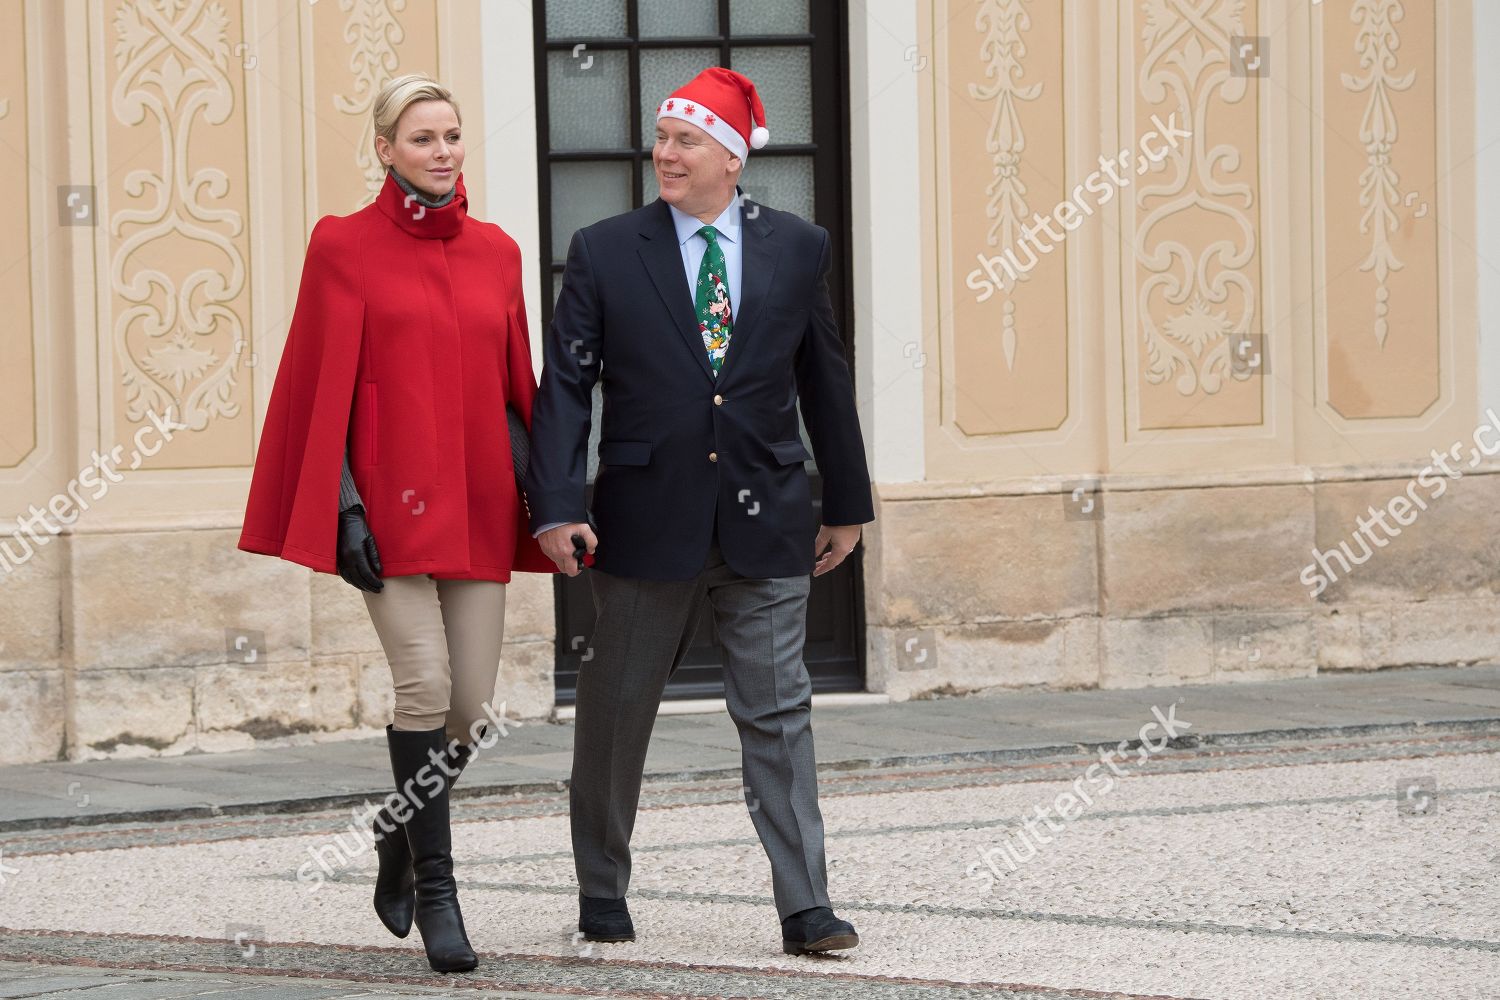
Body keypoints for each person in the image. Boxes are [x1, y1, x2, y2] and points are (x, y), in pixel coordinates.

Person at [525, 67, 875, 956]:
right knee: (617, 710)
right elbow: (565, 387)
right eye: (662, 138)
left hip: (771, 520)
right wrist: (556, 504)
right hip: (644, 522)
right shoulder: (606, 249)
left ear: (730, 154)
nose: (664, 153)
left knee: (779, 714)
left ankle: (806, 905)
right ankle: (602, 888)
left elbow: (824, 379)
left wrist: (847, 500)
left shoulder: (799, 246)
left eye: (685, 140)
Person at [238, 73, 555, 974]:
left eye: (452, 135)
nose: (443, 151)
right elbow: (316, 382)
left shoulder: (498, 252)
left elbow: (513, 397)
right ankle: (440, 891)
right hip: (386, 509)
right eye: (423, 138)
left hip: (481, 507)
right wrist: (342, 507)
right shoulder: (341, 246)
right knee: (423, 687)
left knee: (472, 707)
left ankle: (395, 832)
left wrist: (551, 507)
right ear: (385, 149)